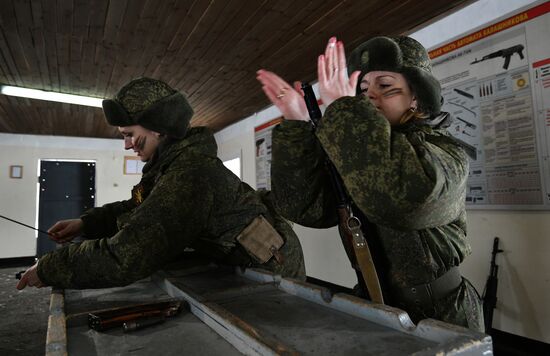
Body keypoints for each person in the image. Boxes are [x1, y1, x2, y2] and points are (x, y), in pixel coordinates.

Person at [256, 36, 483, 331]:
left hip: (442, 316)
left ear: (416, 97)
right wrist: (298, 128)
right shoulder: (358, 153)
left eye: (385, 86)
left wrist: (344, 111)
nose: (370, 97)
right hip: (374, 306)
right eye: (362, 90)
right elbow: (304, 207)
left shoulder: (445, 153)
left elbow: (402, 200)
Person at [16, 77, 305, 290]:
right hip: (236, 263)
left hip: (272, 270)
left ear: (158, 127)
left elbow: (129, 255)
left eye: (130, 134)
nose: (127, 145)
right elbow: (138, 207)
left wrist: (51, 267)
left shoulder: (190, 175)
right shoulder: (167, 167)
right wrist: (86, 223)